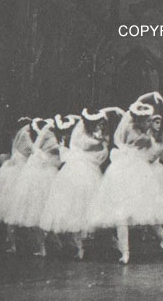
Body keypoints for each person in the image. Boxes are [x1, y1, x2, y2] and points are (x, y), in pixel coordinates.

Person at [88, 93, 163, 264]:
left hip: (136, 172)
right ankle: (125, 251)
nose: (148, 122)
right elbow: (137, 103)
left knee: (147, 211)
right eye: (146, 120)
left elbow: (152, 155)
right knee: (121, 212)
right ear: (139, 120)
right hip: (122, 171)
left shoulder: (145, 137)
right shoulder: (130, 127)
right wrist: (152, 95)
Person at [39, 111, 114, 259]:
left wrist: (101, 140)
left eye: (101, 125)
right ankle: (78, 246)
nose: (100, 127)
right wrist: (99, 140)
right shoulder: (81, 136)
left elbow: (101, 153)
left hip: (90, 171)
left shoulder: (96, 136)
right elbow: (85, 144)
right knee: (74, 208)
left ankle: (94, 244)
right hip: (76, 172)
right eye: (98, 124)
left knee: (91, 207)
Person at [3, 118, 62, 257]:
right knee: (36, 213)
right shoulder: (32, 136)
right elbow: (34, 149)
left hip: (39, 173)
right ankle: (40, 245)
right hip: (35, 173)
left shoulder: (45, 137)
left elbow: (37, 150)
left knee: (38, 213)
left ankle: (45, 245)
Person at [0, 117, 35, 253]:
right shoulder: (25, 135)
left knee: (12, 208)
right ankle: (15, 243)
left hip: (15, 171)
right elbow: (34, 150)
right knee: (18, 207)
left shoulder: (16, 139)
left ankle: (13, 243)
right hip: (20, 173)